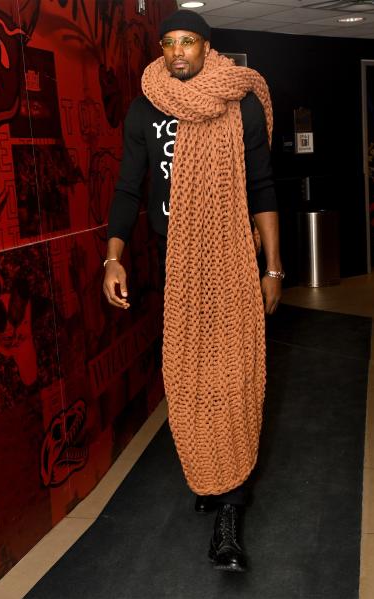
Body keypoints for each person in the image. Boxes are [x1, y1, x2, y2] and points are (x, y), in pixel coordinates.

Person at [101, 10, 283, 573]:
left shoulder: (241, 103)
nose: (178, 51)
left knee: (233, 381)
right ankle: (209, 470)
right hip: (175, 265)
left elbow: (262, 187)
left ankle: (229, 513)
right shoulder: (144, 106)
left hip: (229, 263)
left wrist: (272, 268)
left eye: (189, 42)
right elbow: (129, 187)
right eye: (169, 42)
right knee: (186, 379)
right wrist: (113, 257)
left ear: (208, 46)